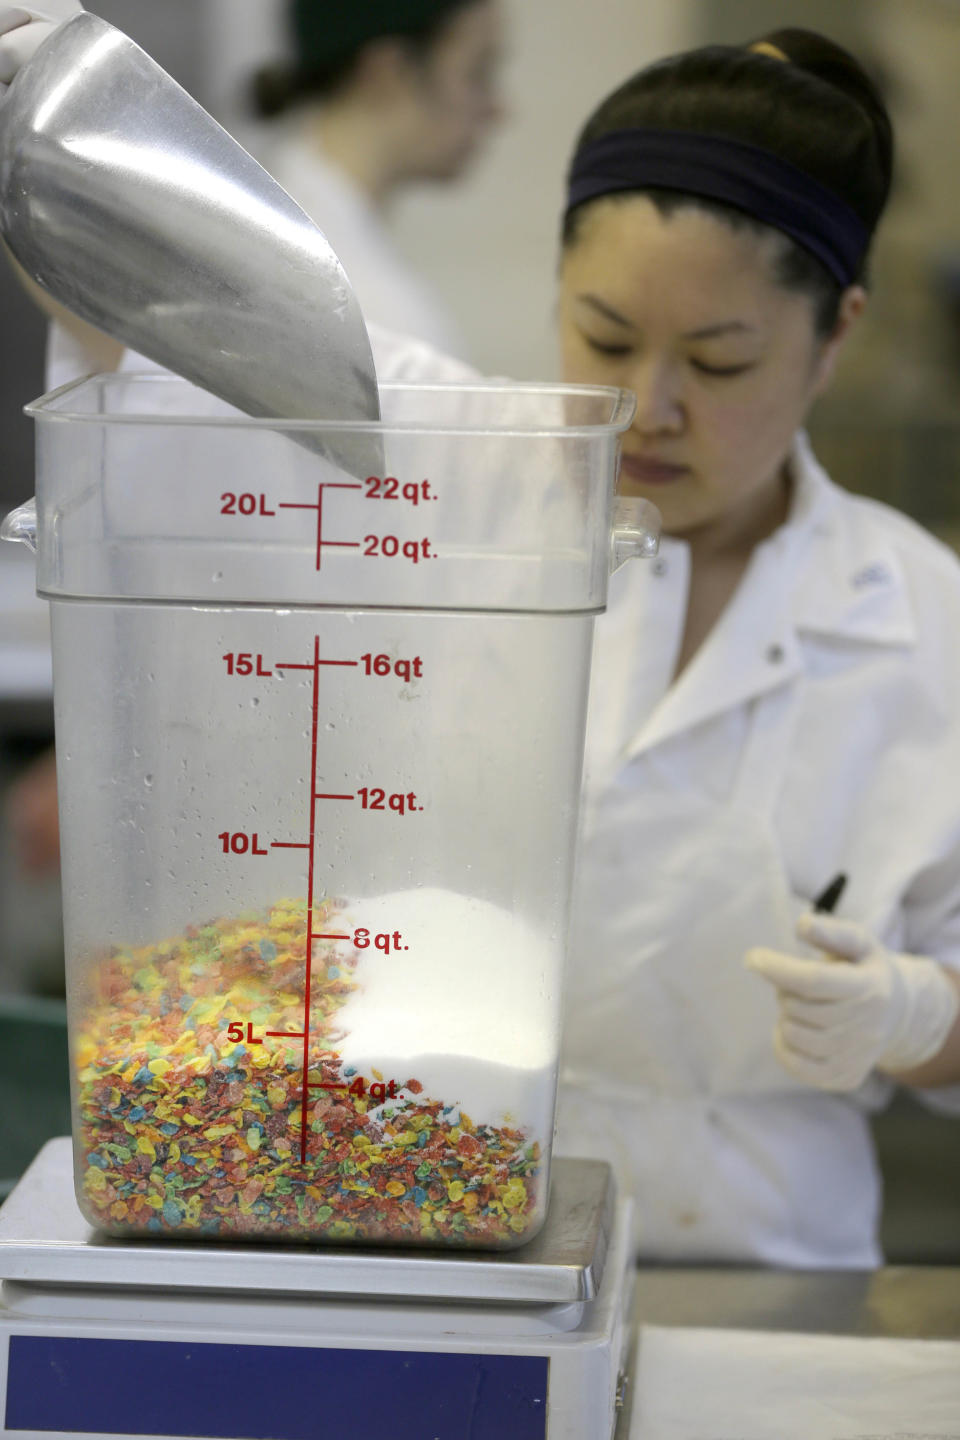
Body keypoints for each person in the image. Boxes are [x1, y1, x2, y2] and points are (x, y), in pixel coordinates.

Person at [5, 14, 960, 1268]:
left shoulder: (923, 618)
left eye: (720, 362)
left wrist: (909, 1014)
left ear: (834, 333)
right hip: (433, 1209)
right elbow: (171, 325)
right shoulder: (450, 459)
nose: (650, 408)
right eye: (606, 338)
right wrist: (56, 132)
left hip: (752, 1260)